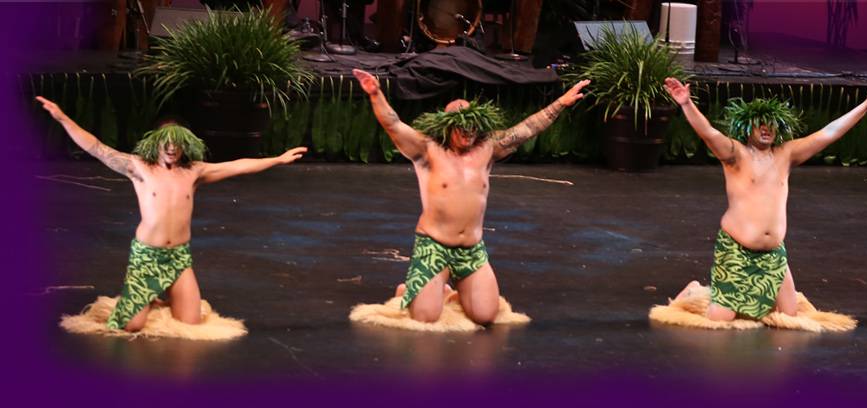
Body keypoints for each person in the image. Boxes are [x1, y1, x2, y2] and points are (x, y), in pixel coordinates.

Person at [36, 96, 307, 332]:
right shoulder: (138, 167)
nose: (171, 147)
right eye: (165, 142)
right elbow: (96, 147)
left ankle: (156, 299)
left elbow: (237, 165)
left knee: (190, 322)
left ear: (185, 145)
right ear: (155, 142)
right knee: (131, 326)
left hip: (179, 257)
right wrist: (62, 118)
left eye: (177, 143)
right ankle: (144, 298)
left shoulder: (194, 171)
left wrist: (277, 159)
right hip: (147, 257)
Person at [353, 69, 588, 323]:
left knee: (485, 315)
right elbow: (393, 124)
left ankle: (445, 290)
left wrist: (560, 103)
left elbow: (528, 128)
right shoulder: (427, 149)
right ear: (448, 126)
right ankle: (411, 290)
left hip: (472, 250)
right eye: (462, 127)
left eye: (473, 127)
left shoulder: (488, 148)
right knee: (425, 317)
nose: (468, 132)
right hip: (434, 246)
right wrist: (375, 94)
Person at [662, 77, 867, 321]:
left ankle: (754, 296)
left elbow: (828, 132)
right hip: (737, 251)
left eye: (771, 124)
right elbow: (708, 133)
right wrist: (686, 104)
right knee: (720, 319)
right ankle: (694, 290)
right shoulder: (735, 154)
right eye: (760, 124)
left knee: (789, 315)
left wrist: (865, 106)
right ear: (747, 127)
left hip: (773, 254)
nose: (766, 128)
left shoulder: (786, 154)